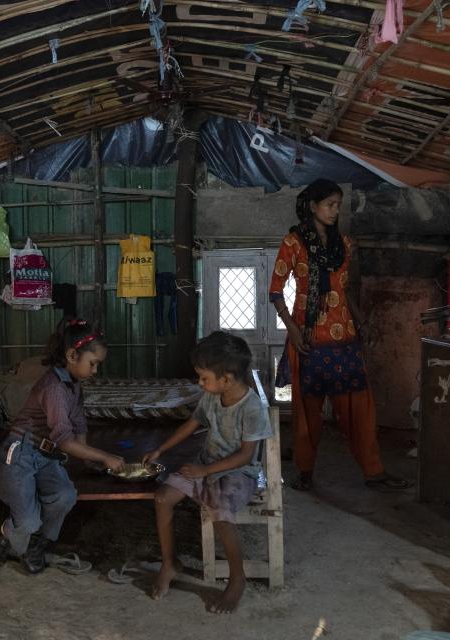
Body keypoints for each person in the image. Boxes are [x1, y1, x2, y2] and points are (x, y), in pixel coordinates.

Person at [269, 178, 409, 492]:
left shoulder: (343, 244)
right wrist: (292, 332)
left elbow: (342, 289)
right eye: (330, 205)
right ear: (312, 206)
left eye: (338, 206)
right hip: (308, 339)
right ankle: (304, 472)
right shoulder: (293, 242)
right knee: (308, 413)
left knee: (359, 407)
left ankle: (374, 472)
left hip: (344, 338)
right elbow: (275, 292)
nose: (335, 211)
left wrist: (362, 321)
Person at [0, 319, 125, 576]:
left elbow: (78, 428)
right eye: (93, 364)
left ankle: (35, 544)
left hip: (46, 456)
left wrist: (91, 459)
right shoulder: (54, 387)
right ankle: (1, 538)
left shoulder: (74, 387)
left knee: (65, 496)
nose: (95, 371)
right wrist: (106, 457)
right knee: (29, 519)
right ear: (71, 355)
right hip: (20, 454)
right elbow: (66, 441)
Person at [143, 331, 272, 613]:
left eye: (204, 378)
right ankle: (170, 563)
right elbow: (191, 425)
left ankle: (237, 579)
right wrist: (160, 450)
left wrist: (205, 470)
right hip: (207, 464)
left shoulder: (251, 408)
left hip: (240, 473)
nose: (200, 383)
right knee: (163, 498)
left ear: (226, 379)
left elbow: (245, 455)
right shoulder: (212, 397)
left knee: (221, 514)